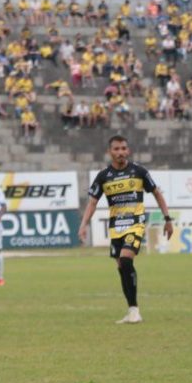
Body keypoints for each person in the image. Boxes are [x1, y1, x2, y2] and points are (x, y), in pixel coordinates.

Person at [78, 135, 174, 324]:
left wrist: (167, 219)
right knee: (122, 267)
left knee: (125, 259)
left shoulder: (139, 171)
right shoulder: (103, 176)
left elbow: (157, 194)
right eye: (116, 149)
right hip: (116, 228)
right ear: (110, 152)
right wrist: (83, 225)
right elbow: (92, 203)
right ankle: (132, 310)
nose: (120, 152)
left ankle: (135, 312)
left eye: (123, 148)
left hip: (135, 224)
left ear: (128, 150)